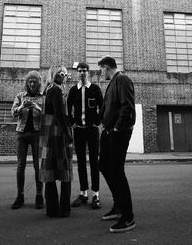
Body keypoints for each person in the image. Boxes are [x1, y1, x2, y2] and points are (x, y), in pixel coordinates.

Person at [98, 56, 136, 233]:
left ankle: (128, 217)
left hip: (118, 132)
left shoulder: (122, 79)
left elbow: (127, 106)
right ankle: (118, 206)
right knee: (104, 165)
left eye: (101, 70)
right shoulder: (113, 82)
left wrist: (116, 128)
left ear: (106, 67)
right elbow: (110, 107)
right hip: (108, 131)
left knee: (117, 170)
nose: (100, 73)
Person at [67, 62, 103, 209]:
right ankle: (83, 194)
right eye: (79, 71)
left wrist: (97, 122)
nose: (82, 73)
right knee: (81, 162)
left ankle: (96, 195)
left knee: (94, 162)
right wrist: (72, 122)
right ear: (77, 73)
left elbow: (103, 106)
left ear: (88, 72)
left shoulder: (94, 89)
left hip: (92, 130)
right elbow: (68, 107)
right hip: (79, 131)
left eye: (84, 71)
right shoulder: (73, 90)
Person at [39, 66, 73, 218]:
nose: (63, 75)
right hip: (58, 133)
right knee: (65, 170)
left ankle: (51, 209)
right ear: (53, 74)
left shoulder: (48, 89)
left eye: (64, 73)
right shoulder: (57, 90)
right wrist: (68, 134)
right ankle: (64, 209)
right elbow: (59, 114)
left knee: (50, 170)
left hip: (48, 133)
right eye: (60, 73)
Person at [11, 70, 44, 210]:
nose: (32, 84)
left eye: (34, 82)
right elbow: (13, 113)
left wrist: (37, 107)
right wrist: (21, 106)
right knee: (20, 166)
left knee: (38, 166)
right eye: (29, 81)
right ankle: (20, 195)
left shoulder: (43, 97)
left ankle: (39, 195)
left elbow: (48, 115)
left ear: (38, 83)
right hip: (22, 134)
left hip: (37, 134)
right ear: (26, 83)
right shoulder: (20, 96)